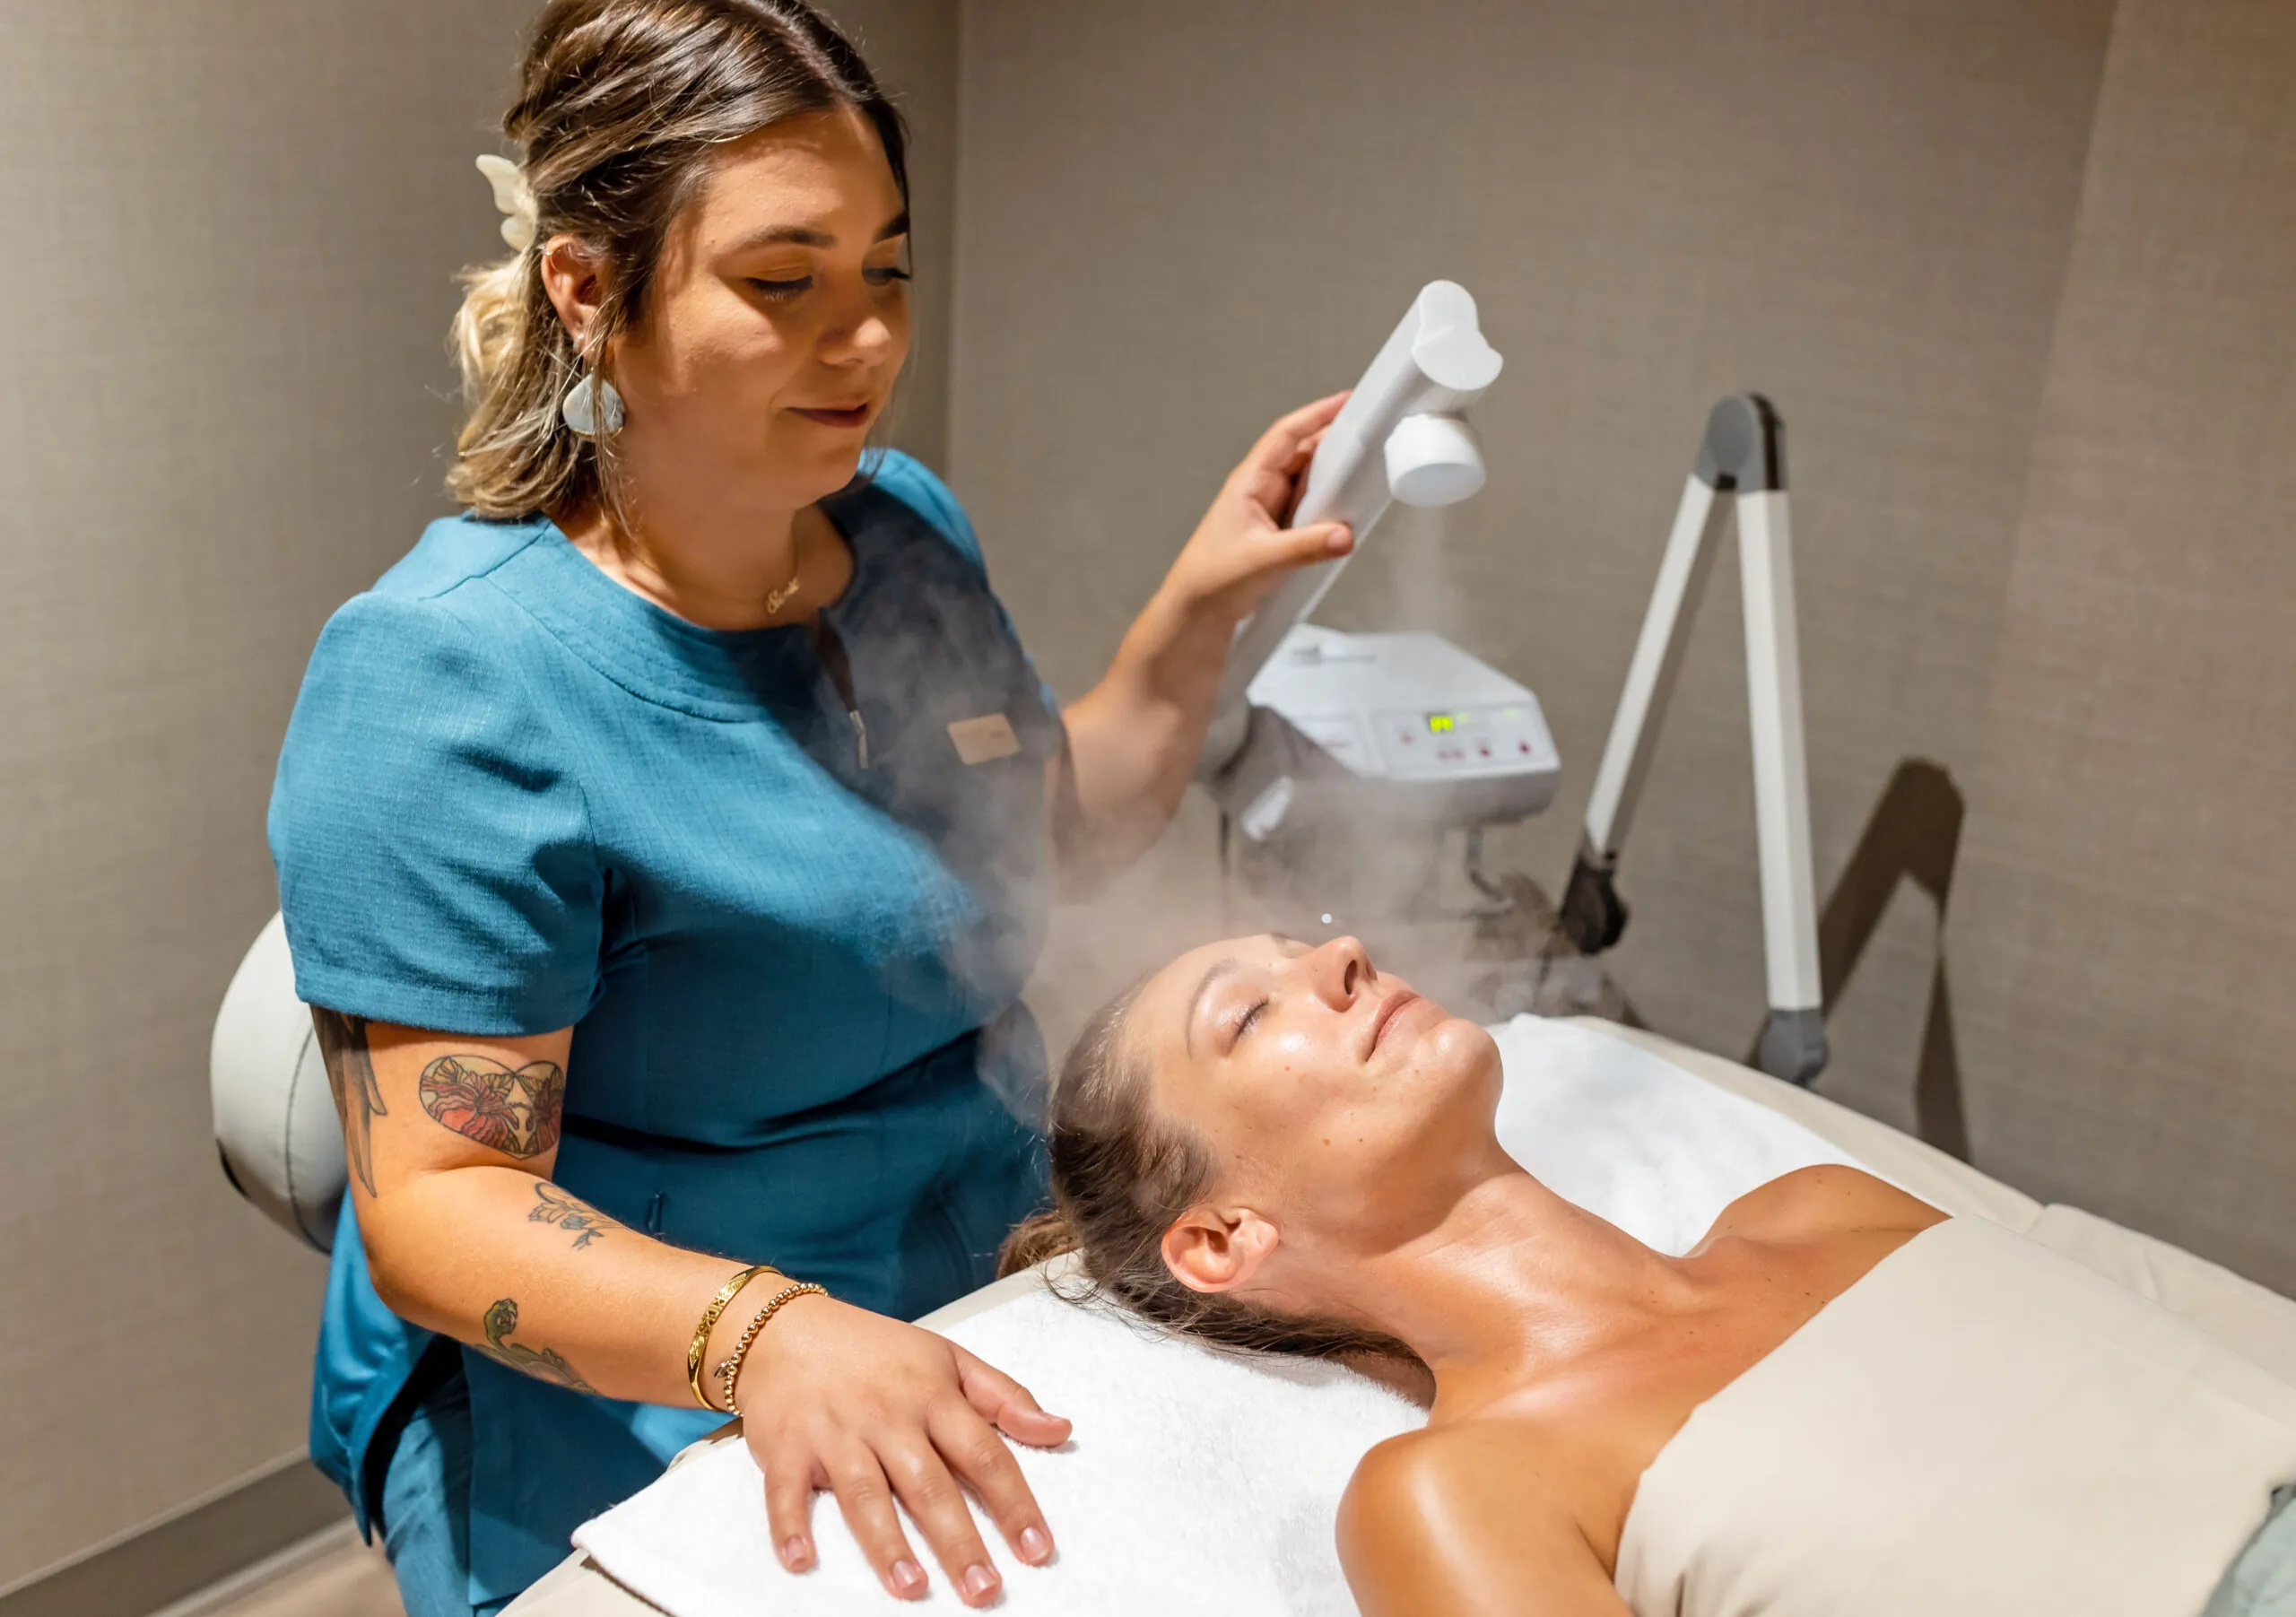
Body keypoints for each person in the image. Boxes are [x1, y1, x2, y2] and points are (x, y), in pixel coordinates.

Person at [266, 4, 1357, 1613]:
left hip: (976, 1275)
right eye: (784, 282)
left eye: (887, 268)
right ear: (587, 287)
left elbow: (1037, 841)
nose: (867, 341)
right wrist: (768, 1335)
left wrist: (1203, 604)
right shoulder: (450, 680)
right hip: (651, 1356)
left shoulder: (898, 529)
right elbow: (442, 1208)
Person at [1003, 933, 2296, 1617]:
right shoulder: (1455, 1490)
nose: (1338, 955)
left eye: (1302, 945)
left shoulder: (1819, 1206)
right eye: (1248, 1012)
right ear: (1222, 1240)